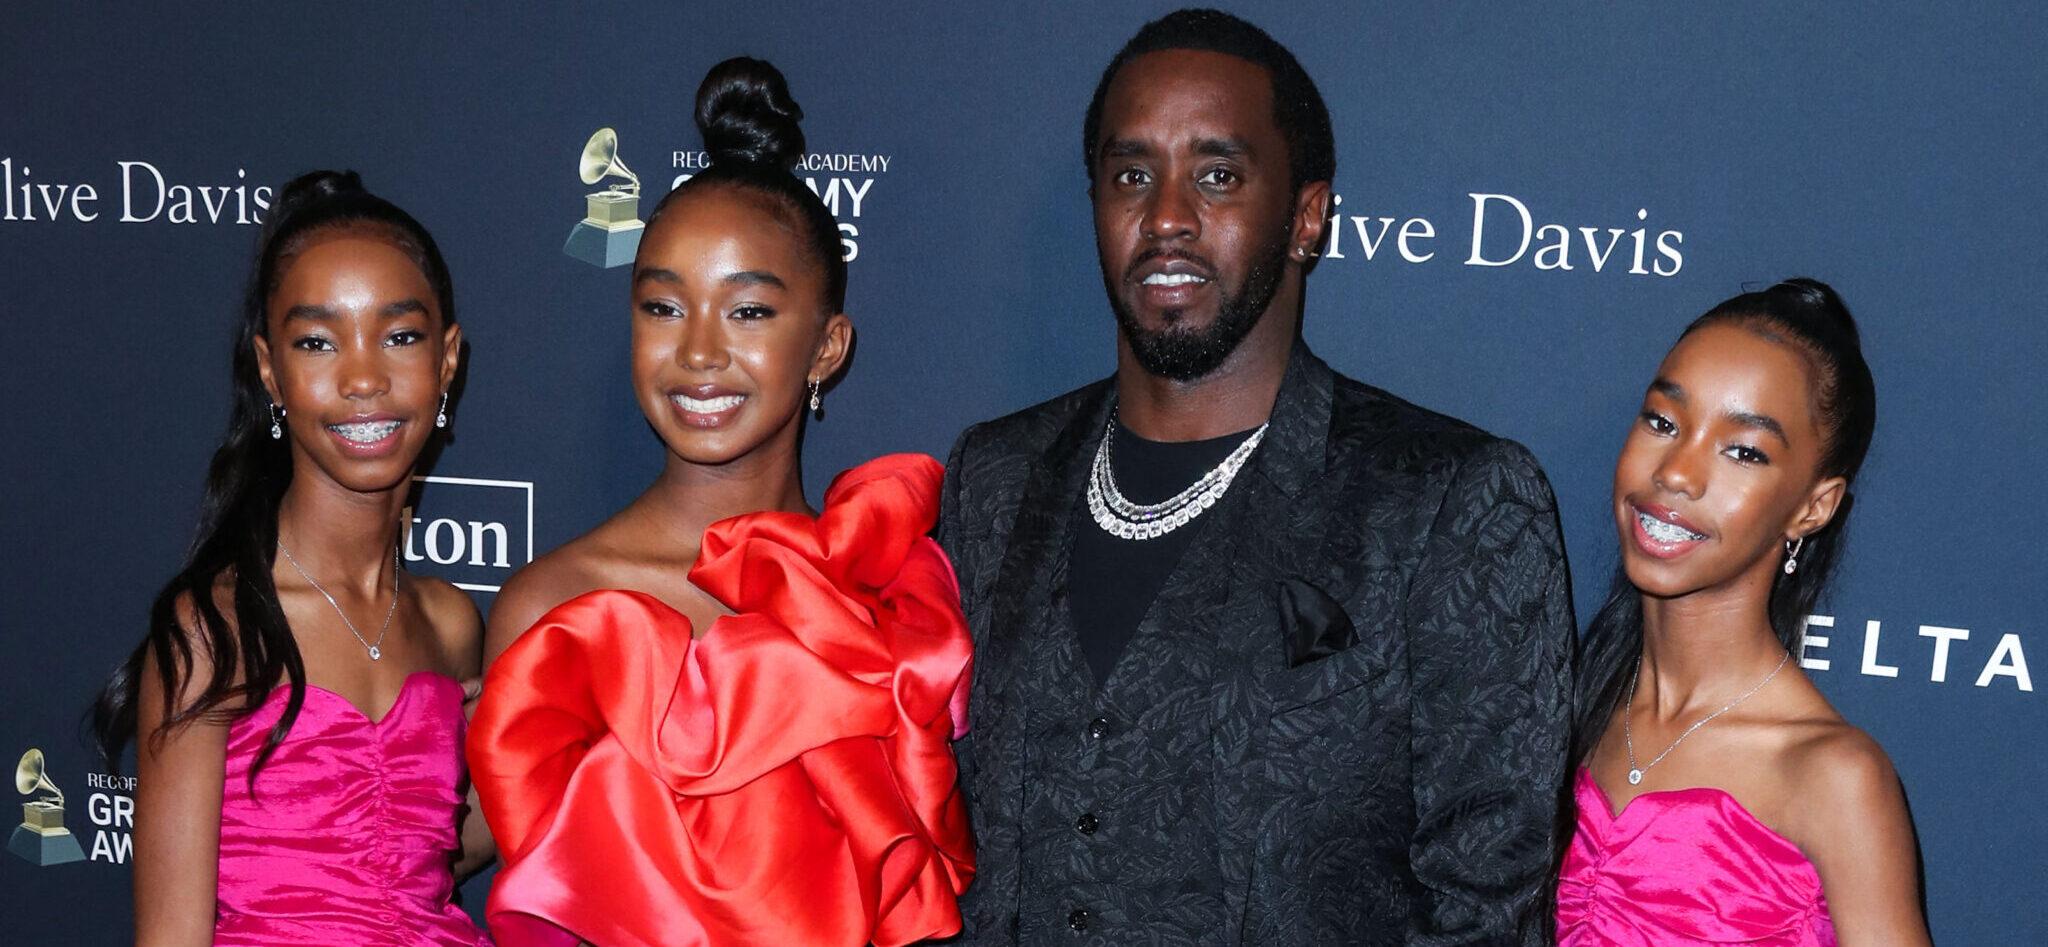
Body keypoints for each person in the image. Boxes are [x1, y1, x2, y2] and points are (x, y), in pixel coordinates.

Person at [938, 9, 1574, 944]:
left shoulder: (1450, 501)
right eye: (1131, 175)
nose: (1166, 217)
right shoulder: (994, 477)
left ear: (1306, 217)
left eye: (1218, 175)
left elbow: (1487, 904)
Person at [466, 57, 973, 947]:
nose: (698, 353)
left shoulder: (893, 600)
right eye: (663, 308)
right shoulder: (555, 609)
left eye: (748, 313)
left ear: (827, 347)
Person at [92, 170, 492, 946]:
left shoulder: (450, 622)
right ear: (271, 371)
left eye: (399, 336)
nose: (363, 378)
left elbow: (422, 865)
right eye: (317, 342)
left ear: (448, 360)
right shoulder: (215, 628)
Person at [1558, 278, 1930, 945]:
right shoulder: (1564, 710)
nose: (1677, 472)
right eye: (1663, 422)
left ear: (1813, 506)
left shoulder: (1834, 775)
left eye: (1744, 451)